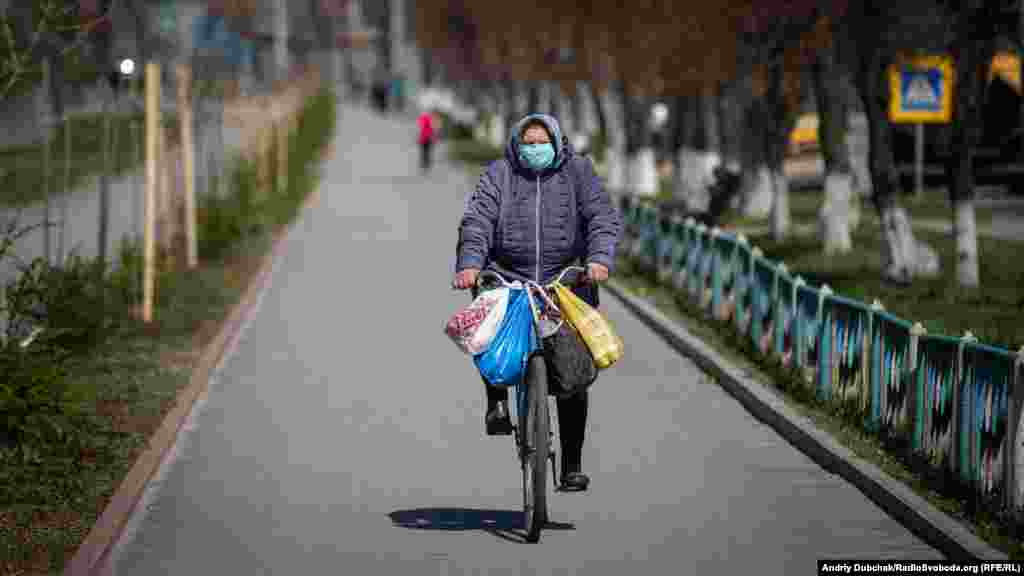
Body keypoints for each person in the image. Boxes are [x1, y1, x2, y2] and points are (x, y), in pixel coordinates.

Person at [452, 113, 622, 492]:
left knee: (573, 372)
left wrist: (598, 260)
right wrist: (469, 264)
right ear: (516, 144)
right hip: (509, 276)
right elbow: (477, 220)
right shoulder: (500, 174)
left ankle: (572, 465)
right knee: (487, 323)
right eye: (527, 142)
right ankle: (496, 400)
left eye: (540, 141)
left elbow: (601, 218)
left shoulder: (579, 173)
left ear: (557, 143)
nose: (534, 148)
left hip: (565, 281)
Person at [418, 109, 437, 173]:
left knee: (424, 152)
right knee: (427, 152)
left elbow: (421, 129)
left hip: (424, 139)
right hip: (427, 139)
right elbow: (433, 131)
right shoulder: (430, 122)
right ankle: (426, 165)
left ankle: (425, 165)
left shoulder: (423, 121)